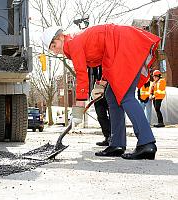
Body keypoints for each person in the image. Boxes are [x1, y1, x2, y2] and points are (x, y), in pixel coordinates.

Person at [42, 24, 160, 160]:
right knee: (112, 94)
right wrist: (102, 83)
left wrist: (79, 107)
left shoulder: (73, 43)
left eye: (54, 45)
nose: (54, 51)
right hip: (120, 48)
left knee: (125, 94)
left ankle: (147, 143)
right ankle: (117, 144)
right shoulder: (75, 41)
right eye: (51, 49)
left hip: (125, 45)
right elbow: (106, 57)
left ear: (61, 37)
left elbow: (81, 74)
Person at [89, 66, 111, 146]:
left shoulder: (106, 59)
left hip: (109, 90)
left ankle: (114, 137)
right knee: (101, 115)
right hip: (96, 92)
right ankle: (107, 136)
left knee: (112, 114)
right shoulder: (90, 64)